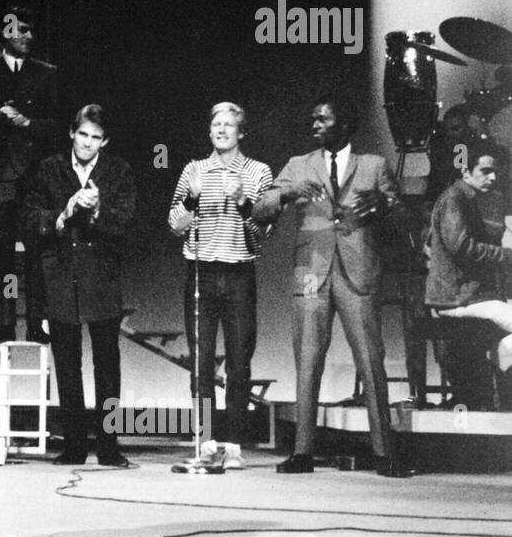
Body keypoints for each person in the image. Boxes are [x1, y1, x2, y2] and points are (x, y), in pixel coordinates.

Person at [255, 94, 408, 477]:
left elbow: (401, 216)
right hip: (312, 269)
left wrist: (387, 205)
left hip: (358, 269)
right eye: (314, 119)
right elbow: (260, 208)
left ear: (344, 124)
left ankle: (383, 451)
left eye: (323, 119)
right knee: (307, 360)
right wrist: (287, 193)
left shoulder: (373, 165)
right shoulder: (298, 165)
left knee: (370, 361)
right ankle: (303, 452)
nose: (315, 125)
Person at [23, 104, 136, 466]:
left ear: (105, 141)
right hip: (59, 275)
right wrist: (64, 213)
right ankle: (73, 445)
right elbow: (29, 218)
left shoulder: (118, 171)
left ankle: (108, 446)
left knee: (108, 367)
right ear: (72, 133)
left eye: (96, 137)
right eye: (83, 134)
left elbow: (125, 224)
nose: (88, 143)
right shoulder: (48, 169)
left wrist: (100, 209)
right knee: (67, 366)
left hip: (102, 277)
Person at [167, 103, 273, 446]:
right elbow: (174, 226)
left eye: (230, 125)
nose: (222, 130)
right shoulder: (193, 169)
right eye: (216, 124)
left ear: (242, 133)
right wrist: (193, 199)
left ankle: (233, 443)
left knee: (239, 365)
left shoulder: (259, 172)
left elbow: (265, 232)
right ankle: (206, 441)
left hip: (239, 274)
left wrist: (243, 200)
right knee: (200, 366)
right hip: (200, 274)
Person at [0, 6, 59, 344]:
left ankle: (35, 323)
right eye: (21, 29)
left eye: (30, 30)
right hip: (0, 178)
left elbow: (57, 124)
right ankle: (7, 323)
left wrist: (27, 123)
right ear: (5, 34)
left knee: (37, 253)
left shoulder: (47, 74)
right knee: (3, 253)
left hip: (36, 179)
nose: (28, 36)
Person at [424, 136, 512, 409]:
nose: (493, 177)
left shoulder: (472, 199)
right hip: (454, 298)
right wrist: (507, 256)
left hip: (471, 296)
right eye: (485, 171)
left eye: (495, 171)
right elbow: (462, 248)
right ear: (466, 171)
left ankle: (498, 387)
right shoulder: (454, 198)